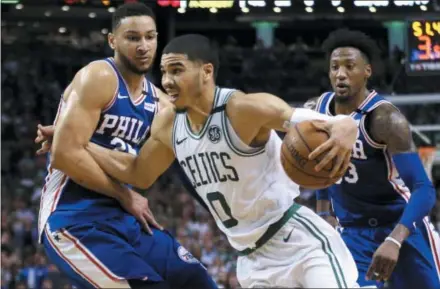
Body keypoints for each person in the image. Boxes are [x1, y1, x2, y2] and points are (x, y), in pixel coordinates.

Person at [68, 33, 361, 288]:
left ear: (206, 71)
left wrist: (346, 125)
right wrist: (80, 142)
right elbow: (138, 173)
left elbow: (306, 119)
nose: (167, 81)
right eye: (164, 72)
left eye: (177, 70)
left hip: (298, 241)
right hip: (251, 260)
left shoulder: (242, 108)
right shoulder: (169, 125)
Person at [36, 4, 217, 289]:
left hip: (125, 220)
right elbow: (63, 155)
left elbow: (143, 174)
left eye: (150, 37)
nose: (143, 46)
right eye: (133, 38)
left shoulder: (160, 103)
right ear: (113, 41)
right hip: (73, 218)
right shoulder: (99, 77)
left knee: (196, 279)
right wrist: (124, 196)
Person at [310, 29, 440, 289]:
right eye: (334, 67)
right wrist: (324, 213)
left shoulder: (385, 120)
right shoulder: (316, 113)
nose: (340, 74)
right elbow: (320, 169)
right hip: (353, 232)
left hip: (402, 225)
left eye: (349, 66)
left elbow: (423, 189)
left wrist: (394, 240)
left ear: (367, 71)